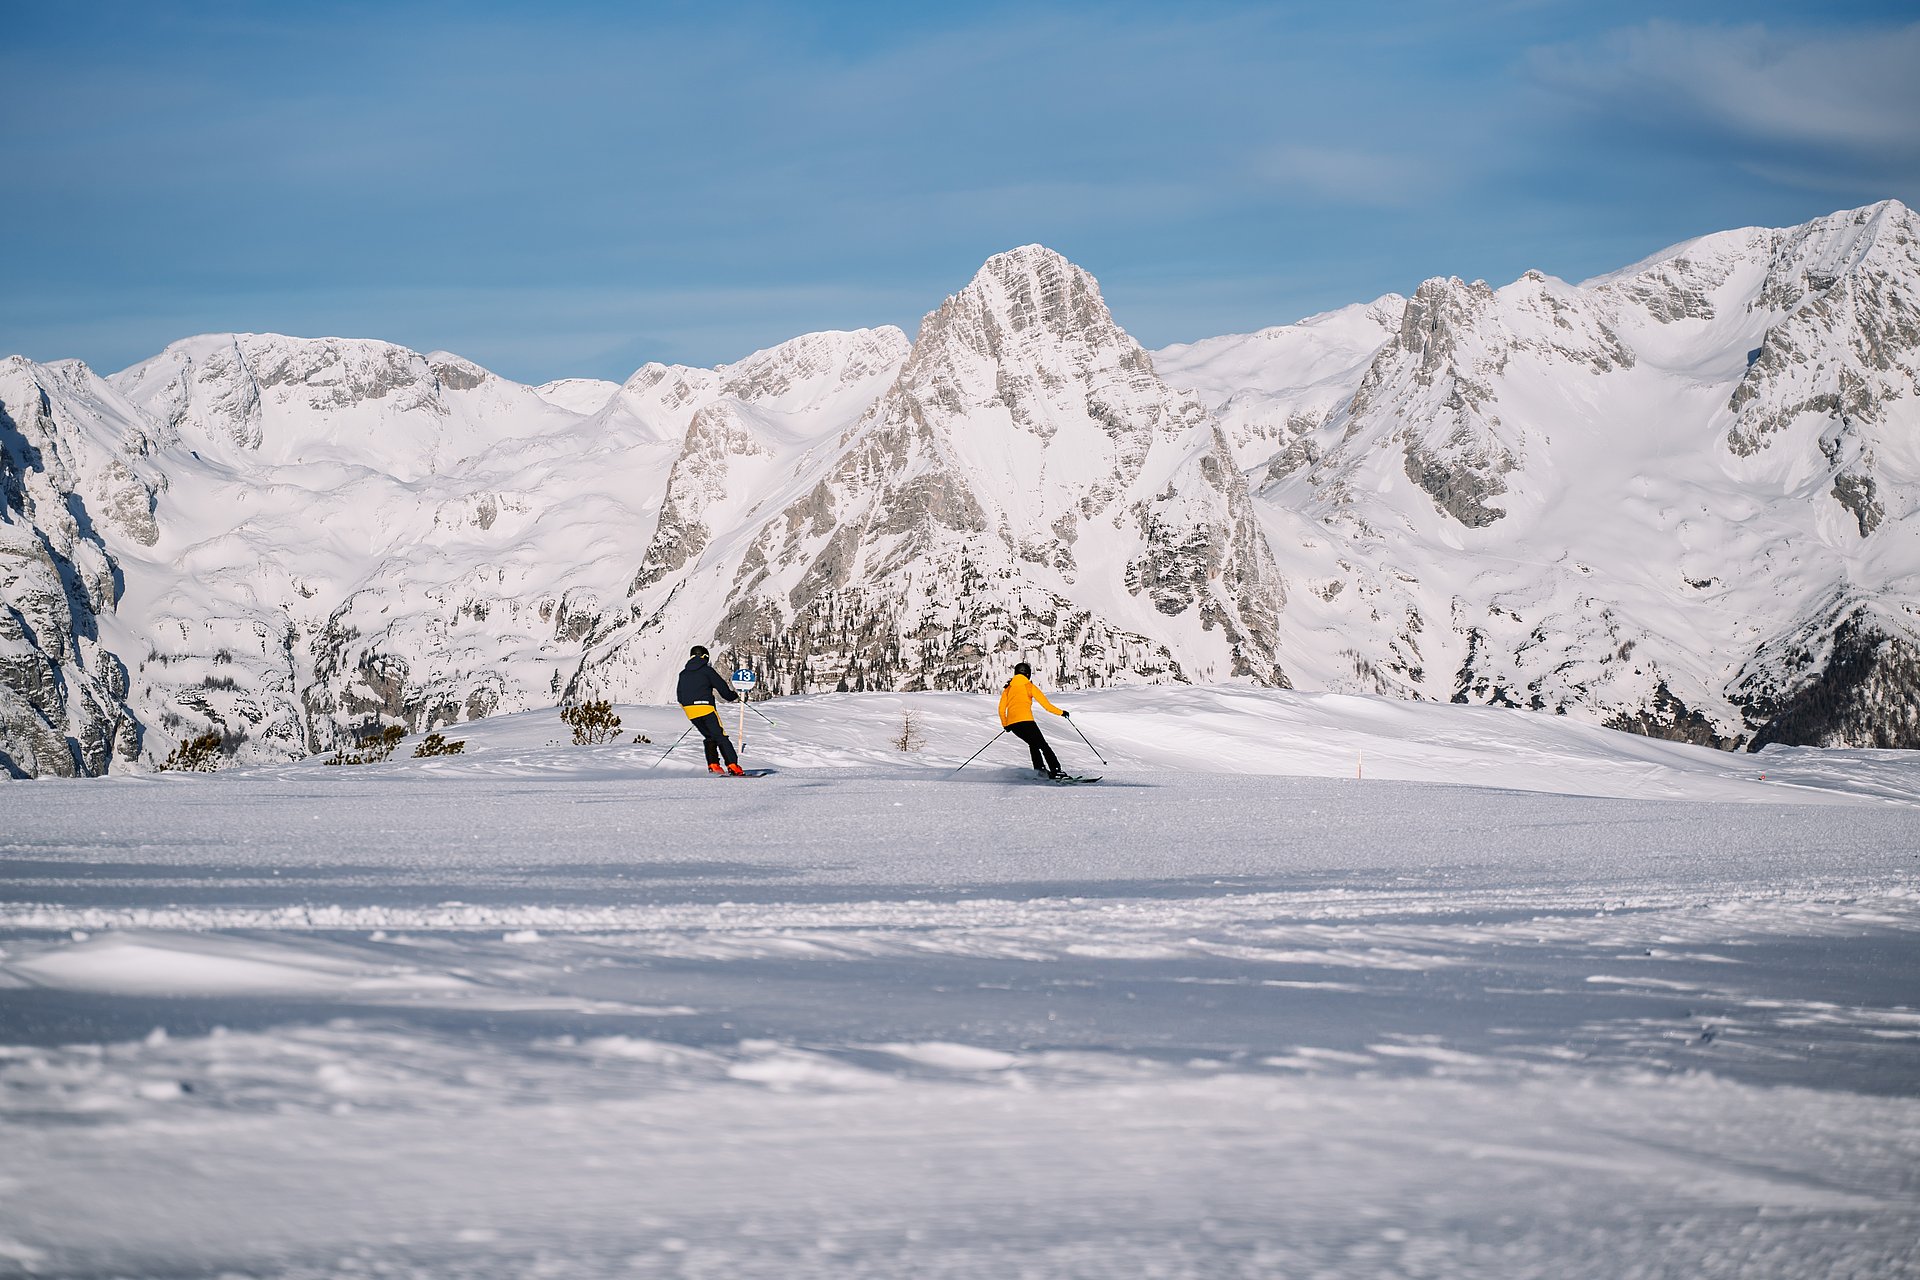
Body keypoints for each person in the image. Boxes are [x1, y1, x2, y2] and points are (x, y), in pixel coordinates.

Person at [677, 645, 744, 775]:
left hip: (690, 711)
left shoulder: (683, 674)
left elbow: (680, 695)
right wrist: (732, 696)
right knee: (721, 736)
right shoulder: (707, 671)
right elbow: (722, 687)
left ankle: (713, 765)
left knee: (709, 736)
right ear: (705, 656)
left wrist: (688, 708)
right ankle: (733, 765)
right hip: (706, 709)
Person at [998, 661, 1069, 778]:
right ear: (1027, 674)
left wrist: (1006, 724)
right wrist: (1062, 713)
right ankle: (1056, 771)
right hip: (1027, 722)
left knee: (1033, 744)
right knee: (1043, 746)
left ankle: (1040, 771)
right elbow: (1046, 706)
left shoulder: (1008, 689)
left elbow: (1001, 709)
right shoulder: (1029, 686)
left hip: (1013, 724)